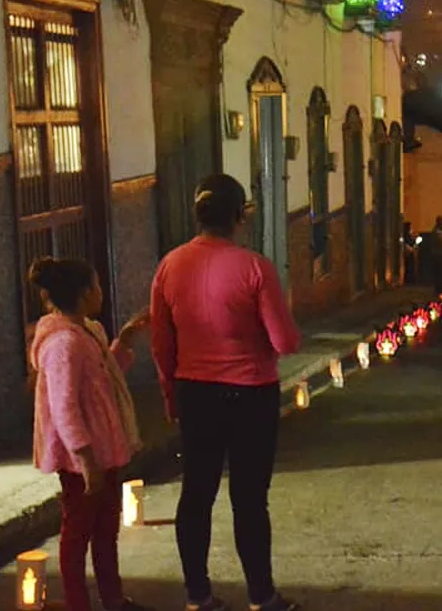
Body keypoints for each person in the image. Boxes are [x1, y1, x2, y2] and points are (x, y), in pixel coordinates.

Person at [151, 174, 302, 611]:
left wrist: (170, 393)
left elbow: (163, 343)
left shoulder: (170, 266)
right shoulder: (255, 267)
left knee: (196, 494)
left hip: (195, 393)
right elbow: (285, 342)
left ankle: (198, 595)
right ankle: (261, 595)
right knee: (250, 499)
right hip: (251, 395)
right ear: (240, 216)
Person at [27, 257, 153, 611]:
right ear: (83, 295)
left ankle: (112, 599)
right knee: (77, 536)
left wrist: (124, 340)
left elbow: (105, 377)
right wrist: (85, 460)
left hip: (105, 451)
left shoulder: (89, 329)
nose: (101, 292)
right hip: (82, 461)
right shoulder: (61, 344)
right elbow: (64, 407)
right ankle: (78, 603)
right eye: (96, 287)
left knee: (105, 532)